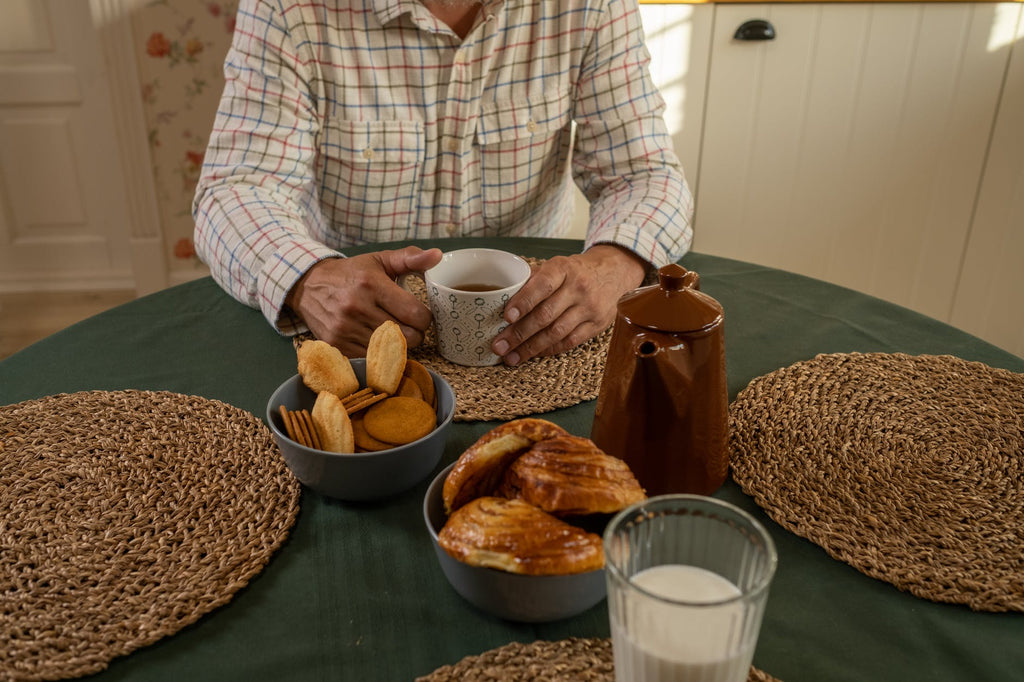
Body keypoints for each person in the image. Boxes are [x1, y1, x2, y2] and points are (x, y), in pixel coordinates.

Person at [193, 0, 693, 365]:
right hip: (354, 322)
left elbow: (643, 173)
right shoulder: (288, 8)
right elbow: (236, 188)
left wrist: (613, 265)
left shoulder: (593, 5)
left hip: (531, 328)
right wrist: (309, 279)